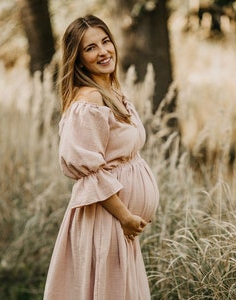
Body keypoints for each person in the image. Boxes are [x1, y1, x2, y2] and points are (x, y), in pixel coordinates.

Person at [43, 15, 159, 300]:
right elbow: (89, 171)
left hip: (120, 225)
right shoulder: (89, 101)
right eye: (91, 48)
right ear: (79, 59)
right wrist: (126, 217)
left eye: (105, 41)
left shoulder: (112, 93)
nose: (104, 51)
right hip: (106, 220)